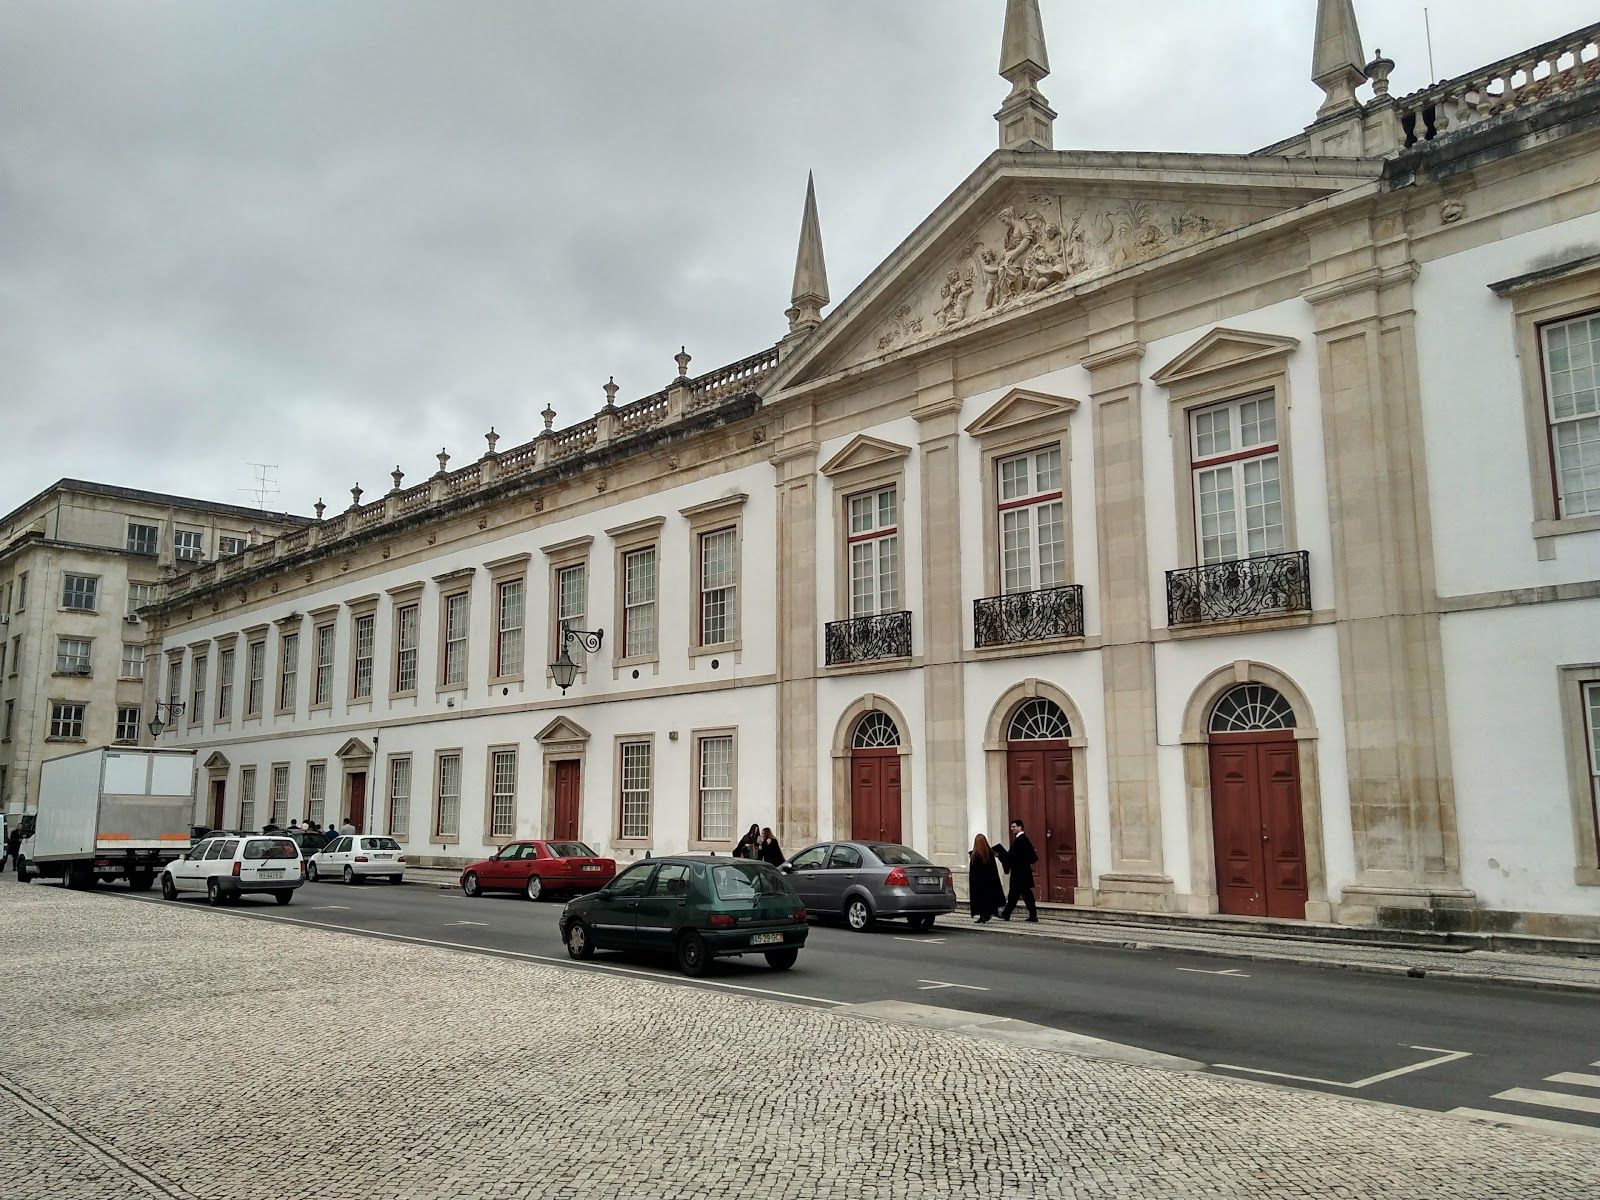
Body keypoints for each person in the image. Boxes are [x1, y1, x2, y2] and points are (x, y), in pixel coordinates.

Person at [995, 818, 1038, 922]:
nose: (1012, 828)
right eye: (1011, 827)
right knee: (1021, 895)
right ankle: (1009, 914)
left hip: (1020, 873)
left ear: (1020, 827)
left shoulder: (1022, 840)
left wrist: (1001, 855)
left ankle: (1007, 914)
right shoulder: (1020, 840)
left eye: (1014, 826)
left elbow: (1026, 856)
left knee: (1018, 894)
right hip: (1021, 873)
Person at [967, 834, 1004, 924]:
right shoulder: (989, 853)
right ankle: (987, 914)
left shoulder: (975, 855)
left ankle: (982, 916)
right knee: (988, 899)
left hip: (978, 883)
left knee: (980, 899)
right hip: (989, 881)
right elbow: (993, 870)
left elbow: (973, 871)